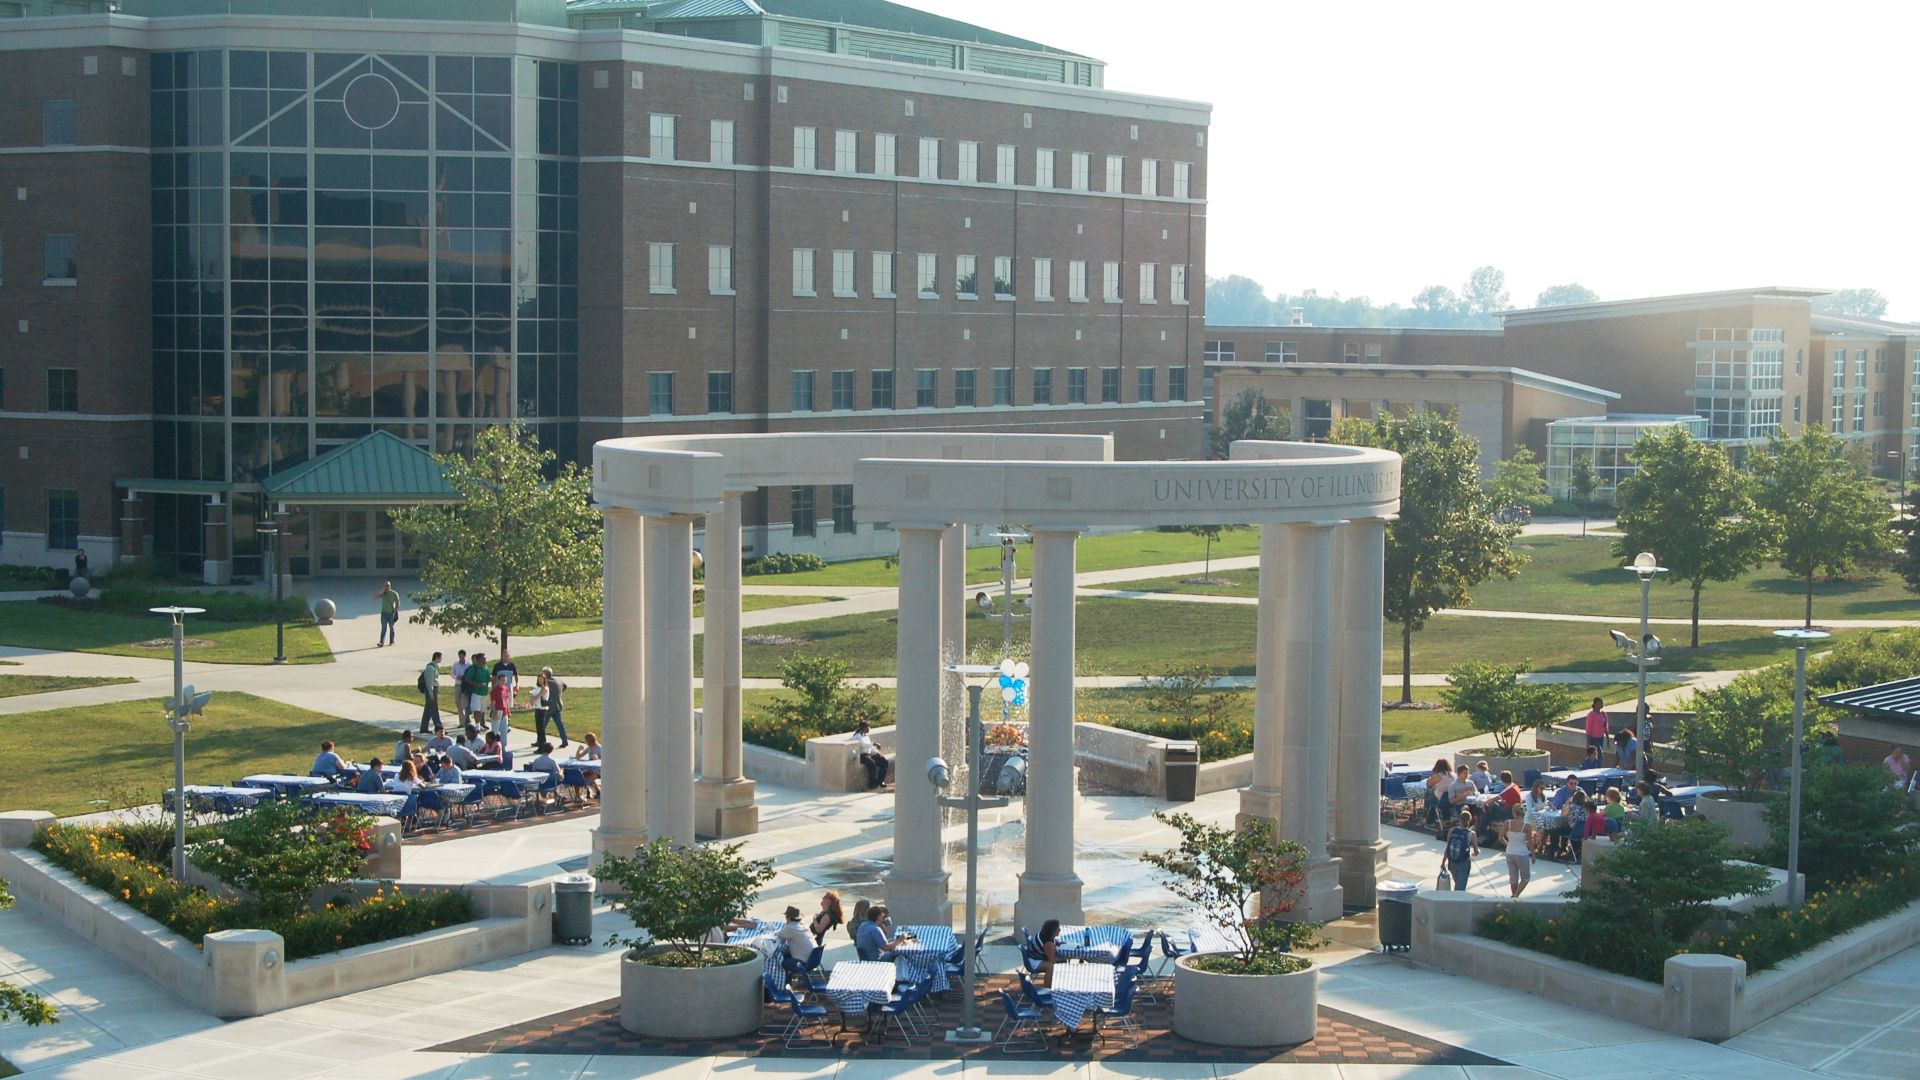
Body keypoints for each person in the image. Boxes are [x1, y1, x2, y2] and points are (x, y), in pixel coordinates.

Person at [1443, 809, 1478, 891]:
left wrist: (1443, 862)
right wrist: (1476, 852)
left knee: (1457, 884)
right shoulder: (1471, 834)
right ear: (1470, 820)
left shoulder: (1452, 831)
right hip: (1464, 862)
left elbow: (1448, 847)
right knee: (1460, 888)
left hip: (1452, 862)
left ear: (1459, 819)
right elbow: (1476, 851)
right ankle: (1457, 902)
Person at [852, 721, 888, 790]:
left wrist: (877, 753)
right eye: (867, 727)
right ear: (863, 728)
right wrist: (874, 743)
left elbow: (870, 747)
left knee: (884, 761)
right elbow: (863, 745)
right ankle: (872, 784)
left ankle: (880, 781)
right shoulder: (857, 736)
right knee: (872, 764)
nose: (869, 728)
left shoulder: (866, 736)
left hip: (869, 754)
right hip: (862, 755)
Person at [1504, 813, 1532, 897]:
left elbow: (1500, 837)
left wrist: (1508, 844)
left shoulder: (1507, 823)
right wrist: (1533, 854)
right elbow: (1530, 841)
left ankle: (1514, 896)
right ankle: (1515, 895)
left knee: (1513, 877)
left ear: (1513, 813)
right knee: (1525, 877)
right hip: (1522, 853)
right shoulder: (1527, 825)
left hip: (1509, 851)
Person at [462, 654, 492, 728]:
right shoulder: (474, 669)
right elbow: (467, 679)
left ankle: (483, 723)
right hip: (476, 693)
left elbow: (488, 678)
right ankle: (477, 725)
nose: (485, 660)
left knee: (483, 710)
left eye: (485, 659)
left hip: (484, 692)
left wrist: (494, 679)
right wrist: (477, 684)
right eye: (483, 659)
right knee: (477, 710)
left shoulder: (486, 669)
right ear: (478, 660)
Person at [543, 667, 569, 748]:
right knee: (560, 724)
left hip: (548, 707)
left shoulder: (547, 682)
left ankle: (540, 740)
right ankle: (565, 740)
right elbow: (565, 686)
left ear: (545, 675)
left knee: (542, 725)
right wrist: (559, 693)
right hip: (557, 705)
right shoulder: (558, 680)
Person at [418, 651, 443, 735]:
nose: (441, 659)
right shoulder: (430, 668)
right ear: (437, 658)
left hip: (433, 689)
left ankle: (424, 727)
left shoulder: (434, 667)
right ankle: (439, 727)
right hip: (431, 690)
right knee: (434, 709)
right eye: (440, 657)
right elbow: (429, 681)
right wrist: (431, 692)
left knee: (428, 710)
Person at [1422, 758, 1453, 824]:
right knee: (1433, 799)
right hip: (1452, 797)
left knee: (1428, 798)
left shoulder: (1438, 776)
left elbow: (1429, 785)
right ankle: (1430, 819)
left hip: (1441, 798)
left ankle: (1425, 817)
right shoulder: (1452, 775)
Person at [373, 581, 400, 648]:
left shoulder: (394, 594)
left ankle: (392, 641)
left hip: (391, 613)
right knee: (383, 628)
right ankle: (381, 642)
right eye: (385, 586)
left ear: (390, 586)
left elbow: (398, 604)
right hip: (384, 613)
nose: (386, 587)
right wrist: (381, 592)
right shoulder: (383, 594)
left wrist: (395, 611)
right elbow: (374, 597)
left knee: (391, 627)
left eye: (387, 585)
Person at [1035, 918, 1062, 986]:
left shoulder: (1044, 933)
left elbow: (1053, 940)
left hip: (1037, 956)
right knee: (1051, 966)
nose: (1060, 930)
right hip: (1035, 961)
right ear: (1052, 930)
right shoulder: (1048, 943)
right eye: (1058, 928)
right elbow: (1052, 961)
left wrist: (1056, 943)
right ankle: (1047, 989)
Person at [488, 671, 513, 740]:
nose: (503, 681)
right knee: (495, 731)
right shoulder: (495, 690)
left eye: (504, 680)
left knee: (504, 731)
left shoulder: (506, 689)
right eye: (501, 680)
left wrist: (508, 711)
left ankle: (503, 746)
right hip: (498, 711)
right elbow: (493, 703)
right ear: (498, 680)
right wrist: (495, 713)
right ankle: (495, 745)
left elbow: (507, 701)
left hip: (505, 712)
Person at [450, 650, 471, 725]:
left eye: (462, 656)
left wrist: (464, 677)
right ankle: (461, 722)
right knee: (458, 703)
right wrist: (456, 676)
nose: (461, 657)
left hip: (465, 685)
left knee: (465, 703)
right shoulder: (456, 664)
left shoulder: (468, 664)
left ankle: (467, 720)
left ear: (465, 656)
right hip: (457, 684)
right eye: (460, 656)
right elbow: (452, 674)